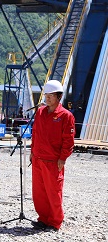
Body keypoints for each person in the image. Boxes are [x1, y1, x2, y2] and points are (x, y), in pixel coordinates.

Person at [30, 80, 75, 231]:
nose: (47, 98)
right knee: (39, 192)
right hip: (38, 158)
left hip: (53, 161)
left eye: (51, 95)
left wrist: (63, 158)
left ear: (58, 97)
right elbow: (35, 133)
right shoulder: (40, 112)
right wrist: (32, 151)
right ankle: (43, 218)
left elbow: (68, 140)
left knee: (54, 192)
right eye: (46, 95)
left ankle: (55, 222)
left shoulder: (66, 116)